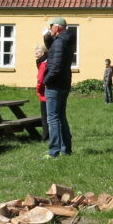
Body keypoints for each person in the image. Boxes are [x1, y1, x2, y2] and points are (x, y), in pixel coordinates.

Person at [42, 16, 76, 158]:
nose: (50, 29)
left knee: (53, 118)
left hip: (54, 84)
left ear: (57, 27)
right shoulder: (65, 40)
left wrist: (46, 80)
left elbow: (55, 66)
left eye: (51, 27)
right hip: (64, 83)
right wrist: (47, 37)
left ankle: (53, 151)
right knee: (61, 116)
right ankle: (66, 149)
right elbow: (53, 49)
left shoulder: (59, 43)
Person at [35, 31, 55, 117]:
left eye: (37, 53)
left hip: (45, 94)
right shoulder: (46, 62)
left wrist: (39, 92)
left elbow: (40, 80)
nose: (35, 55)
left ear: (43, 53)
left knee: (46, 117)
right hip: (49, 91)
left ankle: (46, 131)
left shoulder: (43, 64)